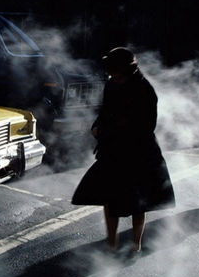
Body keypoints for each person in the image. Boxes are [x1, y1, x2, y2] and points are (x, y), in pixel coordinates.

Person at [72, 47, 175, 253]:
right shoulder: (111, 84)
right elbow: (104, 111)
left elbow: (146, 127)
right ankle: (111, 243)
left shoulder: (145, 90)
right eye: (111, 74)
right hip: (113, 151)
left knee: (139, 202)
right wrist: (97, 126)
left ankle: (136, 244)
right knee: (110, 198)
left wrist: (110, 130)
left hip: (139, 153)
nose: (113, 77)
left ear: (129, 71)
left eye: (117, 74)